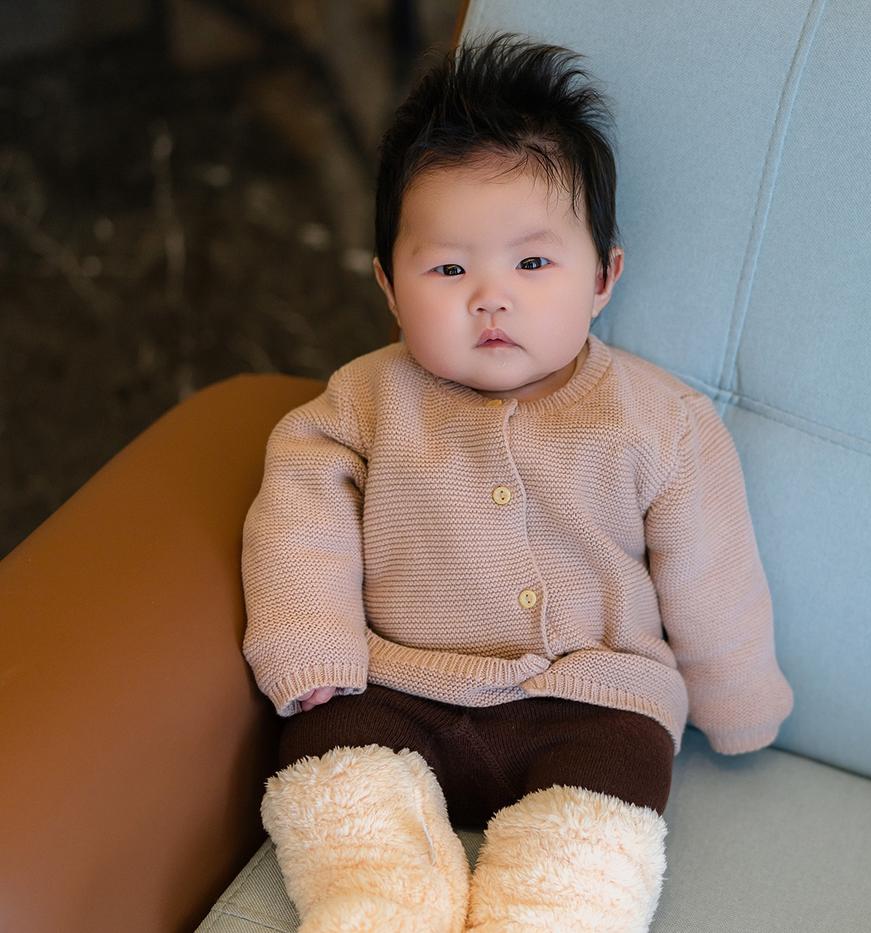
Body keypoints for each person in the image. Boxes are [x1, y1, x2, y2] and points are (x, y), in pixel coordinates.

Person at [241, 30, 795, 932]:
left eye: (533, 263)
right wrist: (310, 654)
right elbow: (297, 528)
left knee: (607, 806)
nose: (490, 296)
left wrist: (739, 702)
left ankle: (554, 909)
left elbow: (713, 576)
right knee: (326, 760)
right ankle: (373, 901)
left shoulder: (660, 421)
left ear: (604, 276)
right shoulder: (361, 403)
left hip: (591, 701)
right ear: (389, 285)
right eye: (448, 268)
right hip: (398, 686)